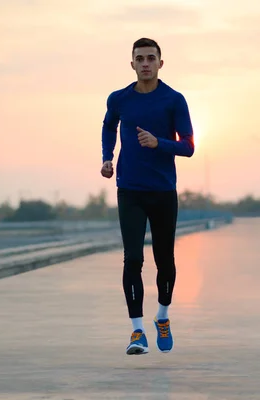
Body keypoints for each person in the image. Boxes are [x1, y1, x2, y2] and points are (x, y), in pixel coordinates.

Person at [100, 37, 195, 355]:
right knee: (133, 259)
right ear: (132, 64)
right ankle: (137, 331)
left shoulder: (174, 100)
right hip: (130, 190)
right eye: (139, 58)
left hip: (164, 191)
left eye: (150, 58)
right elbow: (108, 125)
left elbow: (189, 147)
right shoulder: (119, 99)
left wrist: (159, 143)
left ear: (160, 63)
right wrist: (107, 157)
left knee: (165, 262)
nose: (145, 63)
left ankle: (163, 317)